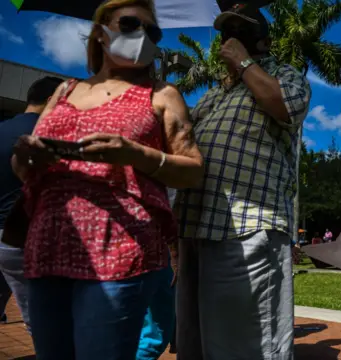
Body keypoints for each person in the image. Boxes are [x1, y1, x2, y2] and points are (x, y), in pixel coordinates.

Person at [10, 0, 204, 358]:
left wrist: (136, 154)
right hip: (48, 246)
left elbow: (193, 169)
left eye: (153, 31)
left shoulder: (161, 95)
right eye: (131, 24)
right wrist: (26, 158)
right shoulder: (65, 90)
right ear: (101, 33)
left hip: (117, 249)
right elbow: (23, 169)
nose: (143, 36)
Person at [173, 2, 311, 359]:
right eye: (225, 32)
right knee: (197, 340)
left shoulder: (286, 75)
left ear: (261, 42)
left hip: (248, 226)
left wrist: (245, 63)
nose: (228, 39)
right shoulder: (215, 93)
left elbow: (286, 107)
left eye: (239, 31)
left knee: (246, 345)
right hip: (195, 226)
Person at [0, 76, 64, 332]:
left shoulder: (3, 128)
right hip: (24, 239)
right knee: (43, 321)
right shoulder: (50, 137)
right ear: (52, 100)